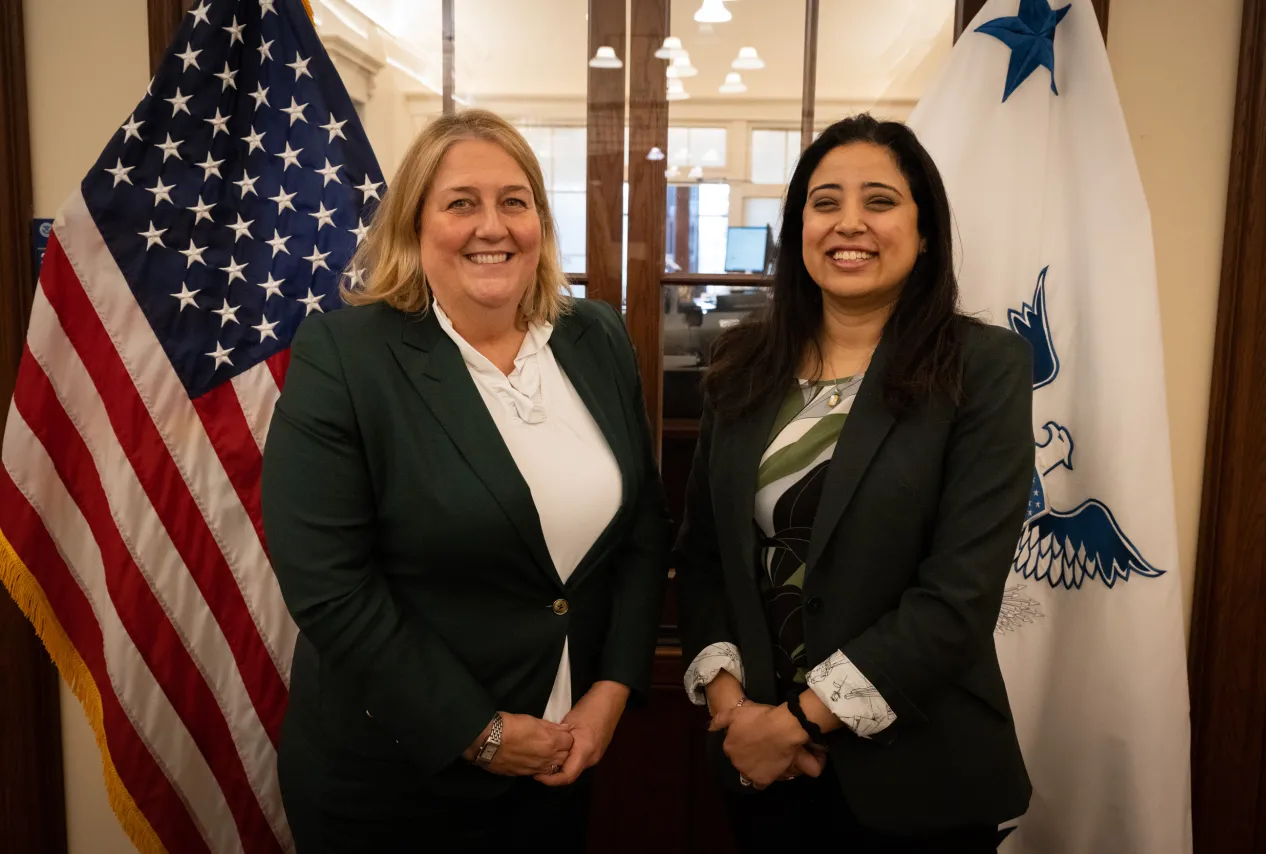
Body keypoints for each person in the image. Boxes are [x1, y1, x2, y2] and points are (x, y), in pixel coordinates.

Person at [262, 109, 670, 853]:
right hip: (396, 782)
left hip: (561, 764)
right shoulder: (345, 357)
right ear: (415, 226)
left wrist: (611, 689)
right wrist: (476, 734)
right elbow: (330, 586)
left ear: (540, 222)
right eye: (461, 203)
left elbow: (641, 527)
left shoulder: (596, 336)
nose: (493, 226)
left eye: (514, 201)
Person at [674, 114, 1034, 853]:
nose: (849, 224)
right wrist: (734, 708)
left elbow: (957, 596)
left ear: (925, 229)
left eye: (879, 201)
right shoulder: (739, 365)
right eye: (825, 201)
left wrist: (798, 721)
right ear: (798, 225)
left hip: (919, 779)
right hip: (763, 774)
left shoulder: (984, 368)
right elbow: (705, 556)